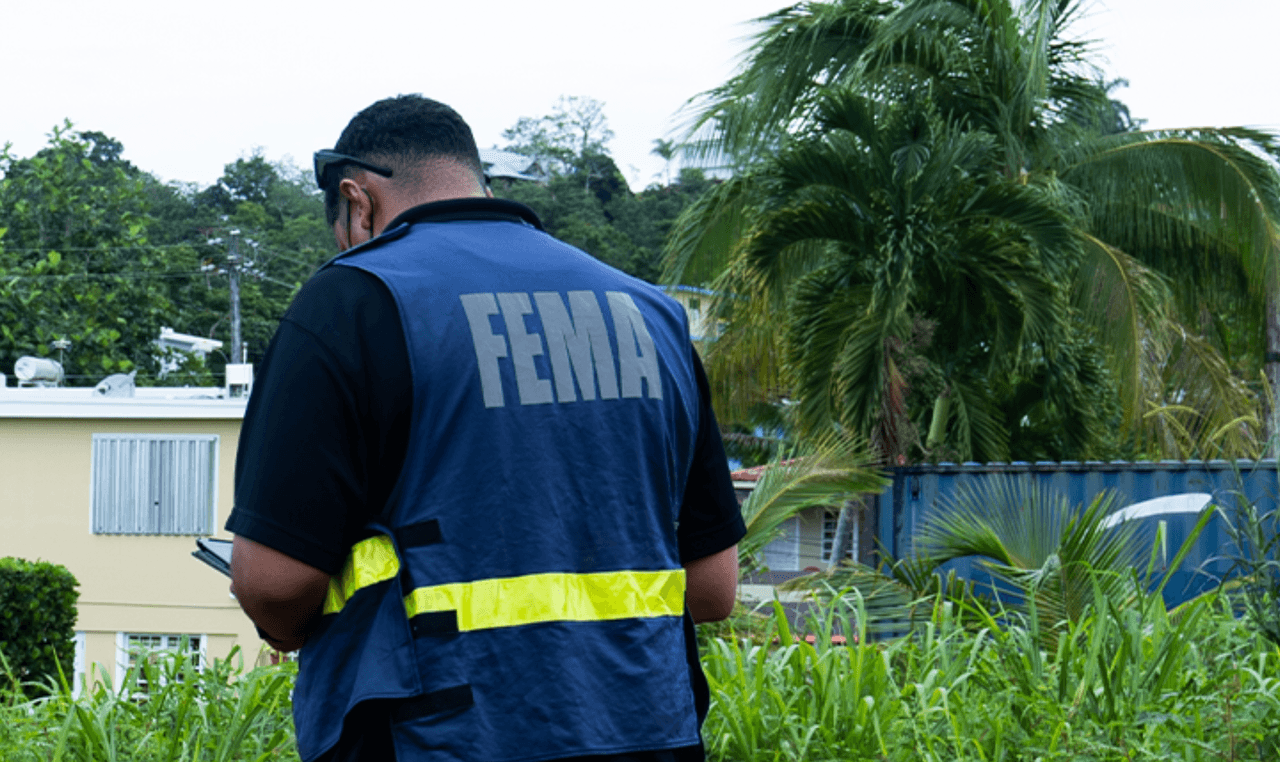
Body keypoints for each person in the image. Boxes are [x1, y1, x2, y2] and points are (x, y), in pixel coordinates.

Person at [226, 94, 745, 762]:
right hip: (650, 732)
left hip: (434, 737)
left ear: (359, 203)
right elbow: (711, 590)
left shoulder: (350, 301)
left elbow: (272, 586)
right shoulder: (652, 315)